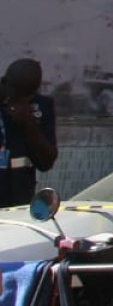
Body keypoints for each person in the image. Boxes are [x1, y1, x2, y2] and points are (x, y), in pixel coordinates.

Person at [0, 59, 58, 207]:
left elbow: (46, 163)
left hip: (20, 198)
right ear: (5, 82)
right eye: (16, 93)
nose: (20, 99)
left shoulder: (42, 106)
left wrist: (29, 123)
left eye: (27, 95)